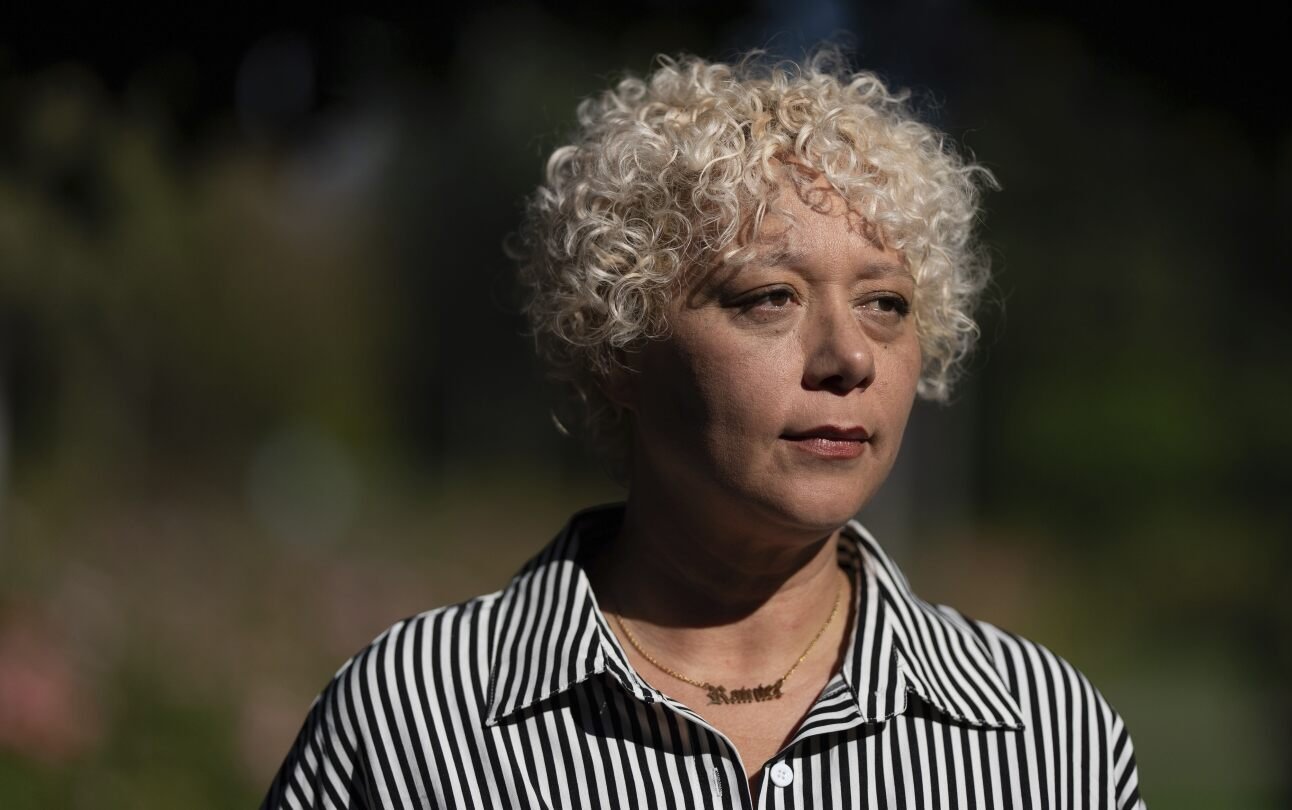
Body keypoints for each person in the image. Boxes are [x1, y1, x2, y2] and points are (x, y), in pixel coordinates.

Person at [262, 51, 1146, 809]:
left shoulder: (1045, 739)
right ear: (618, 344)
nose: (849, 357)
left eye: (885, 304)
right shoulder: (412, 723)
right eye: (770, 298)